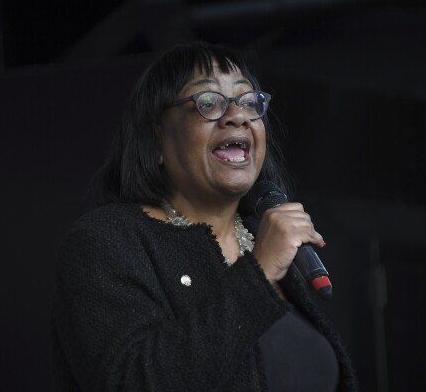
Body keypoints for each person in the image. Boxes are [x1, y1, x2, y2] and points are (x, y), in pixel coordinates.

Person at [52, 41, 358, 391]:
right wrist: (258, 275)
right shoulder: (105, 243)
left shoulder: (268, 240)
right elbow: (132, 381)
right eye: (208, 102)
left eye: (248, 101)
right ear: (156, 138)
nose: (238, 115)